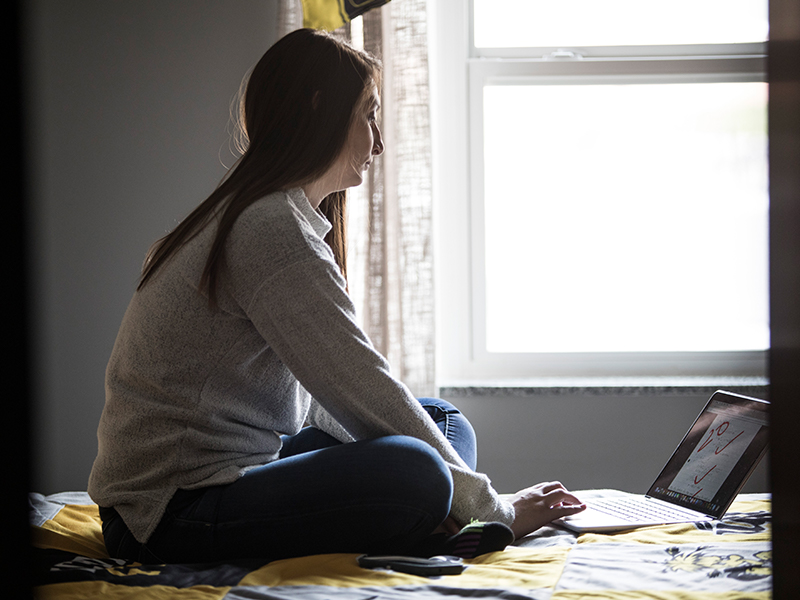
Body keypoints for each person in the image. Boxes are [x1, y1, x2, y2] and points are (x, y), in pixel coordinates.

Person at [88, 28, 585, 565]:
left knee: (441, 420)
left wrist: (462, 491)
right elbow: (357, 383)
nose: (379, 141)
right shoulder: (268, 228)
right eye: (368, 115)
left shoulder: (272, 214)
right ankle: (445, 517)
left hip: (237, 471)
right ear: (321, 108)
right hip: (167, 514)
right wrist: (496, 509)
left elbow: (331, 395)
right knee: (414, 470)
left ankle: (440, 516)